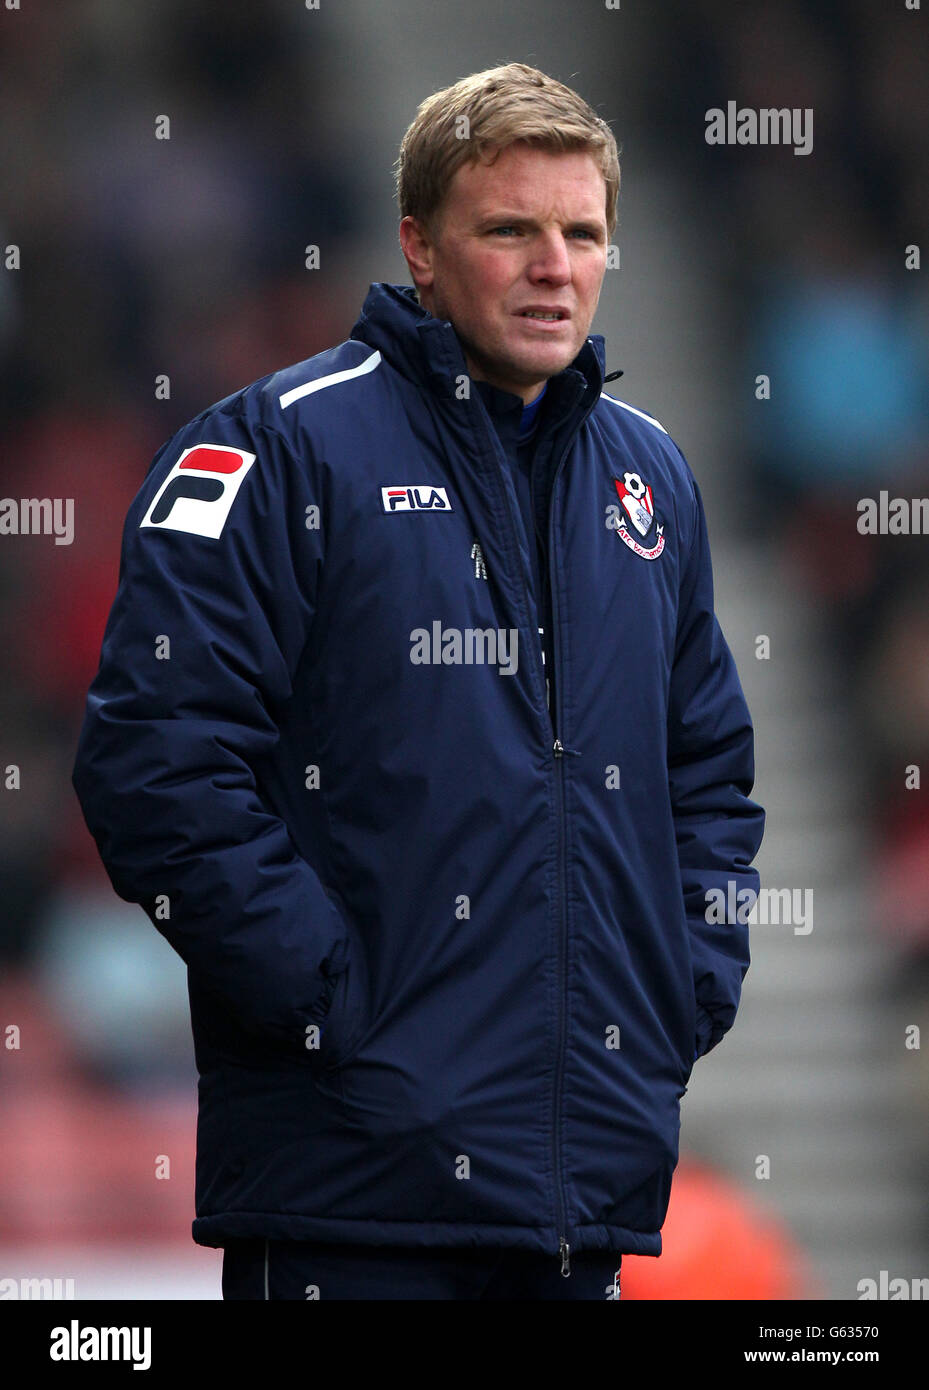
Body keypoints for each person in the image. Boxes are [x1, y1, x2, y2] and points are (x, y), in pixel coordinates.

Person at [71, 62, 764, 1301]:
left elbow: (707, 772)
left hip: (578, 1200)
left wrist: (680, 989)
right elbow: (153, 763)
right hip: (349, 1196)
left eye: (583, 231)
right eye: (510, 229)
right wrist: (336, 1004)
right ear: (419, 248)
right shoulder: (276, 447)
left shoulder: (649, 482)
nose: (555, 263)